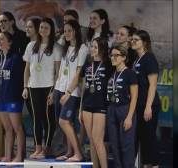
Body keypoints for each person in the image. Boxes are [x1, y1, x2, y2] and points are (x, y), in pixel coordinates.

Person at [62, 37, 112, 168]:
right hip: (87, 106)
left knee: (98, 140)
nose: (93, 49)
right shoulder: (88, 64)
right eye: (92, 46)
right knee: (91, 141)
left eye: (96, 47)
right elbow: (83, 86)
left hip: (101, 106)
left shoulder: (108, 65)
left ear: (102, 49)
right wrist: (79, 106)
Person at [22, 17, 61, 159]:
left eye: (46, 28)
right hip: (33, 87)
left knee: (48, 119)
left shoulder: (56, 48)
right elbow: (27, 69)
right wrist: (25, 87)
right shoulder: (31, 46)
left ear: (51, 31)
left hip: (48, 86)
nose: (43, 30)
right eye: (41, 27)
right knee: (36, 119)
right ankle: (38, 148)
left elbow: (58, 72)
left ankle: (47, 147)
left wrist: (54, 91)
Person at [53, 20, 87, 162]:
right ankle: (69, 152)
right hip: (59, 88)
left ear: (76, 31)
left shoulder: (83, 48)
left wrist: (68, 93)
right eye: (65, 30)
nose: (66, 33)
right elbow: (61, 70)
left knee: (64, 121)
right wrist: (56, 89)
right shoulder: (65, 48)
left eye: (69, 30)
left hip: (72, 92)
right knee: (68, 123)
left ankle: (78, 153)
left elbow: (78, 74)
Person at [131, 30, 161, 168]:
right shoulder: (136, 59)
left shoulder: (149, 58)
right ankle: (146, 164)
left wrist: (148, 107)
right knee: (143, 137)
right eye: (132, 39)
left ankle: (154, 165)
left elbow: (153, 84)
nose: (133, 42)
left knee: (149, 138)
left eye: (136, 40)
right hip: (139, 104)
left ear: (144, 42)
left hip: (149, 105)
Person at [107, 45, 138, 168]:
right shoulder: (113, 73)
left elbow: (134, 97)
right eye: (112, 55)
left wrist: (129, 117)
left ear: (124, 57)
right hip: (112, 109)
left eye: (116, 55)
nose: (113, 58)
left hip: (125, 109)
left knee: (126, 145)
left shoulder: (129, 73)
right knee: (114, 145)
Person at [0, 32, 25, 162]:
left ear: (10, 42)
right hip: (1, 98)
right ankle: (8, 155)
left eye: (2, 39)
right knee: (7, 129)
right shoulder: (0, 58)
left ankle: (19, 155)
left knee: (17, 128)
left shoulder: (16, 58)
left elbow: (20, 79)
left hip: (13, 98)